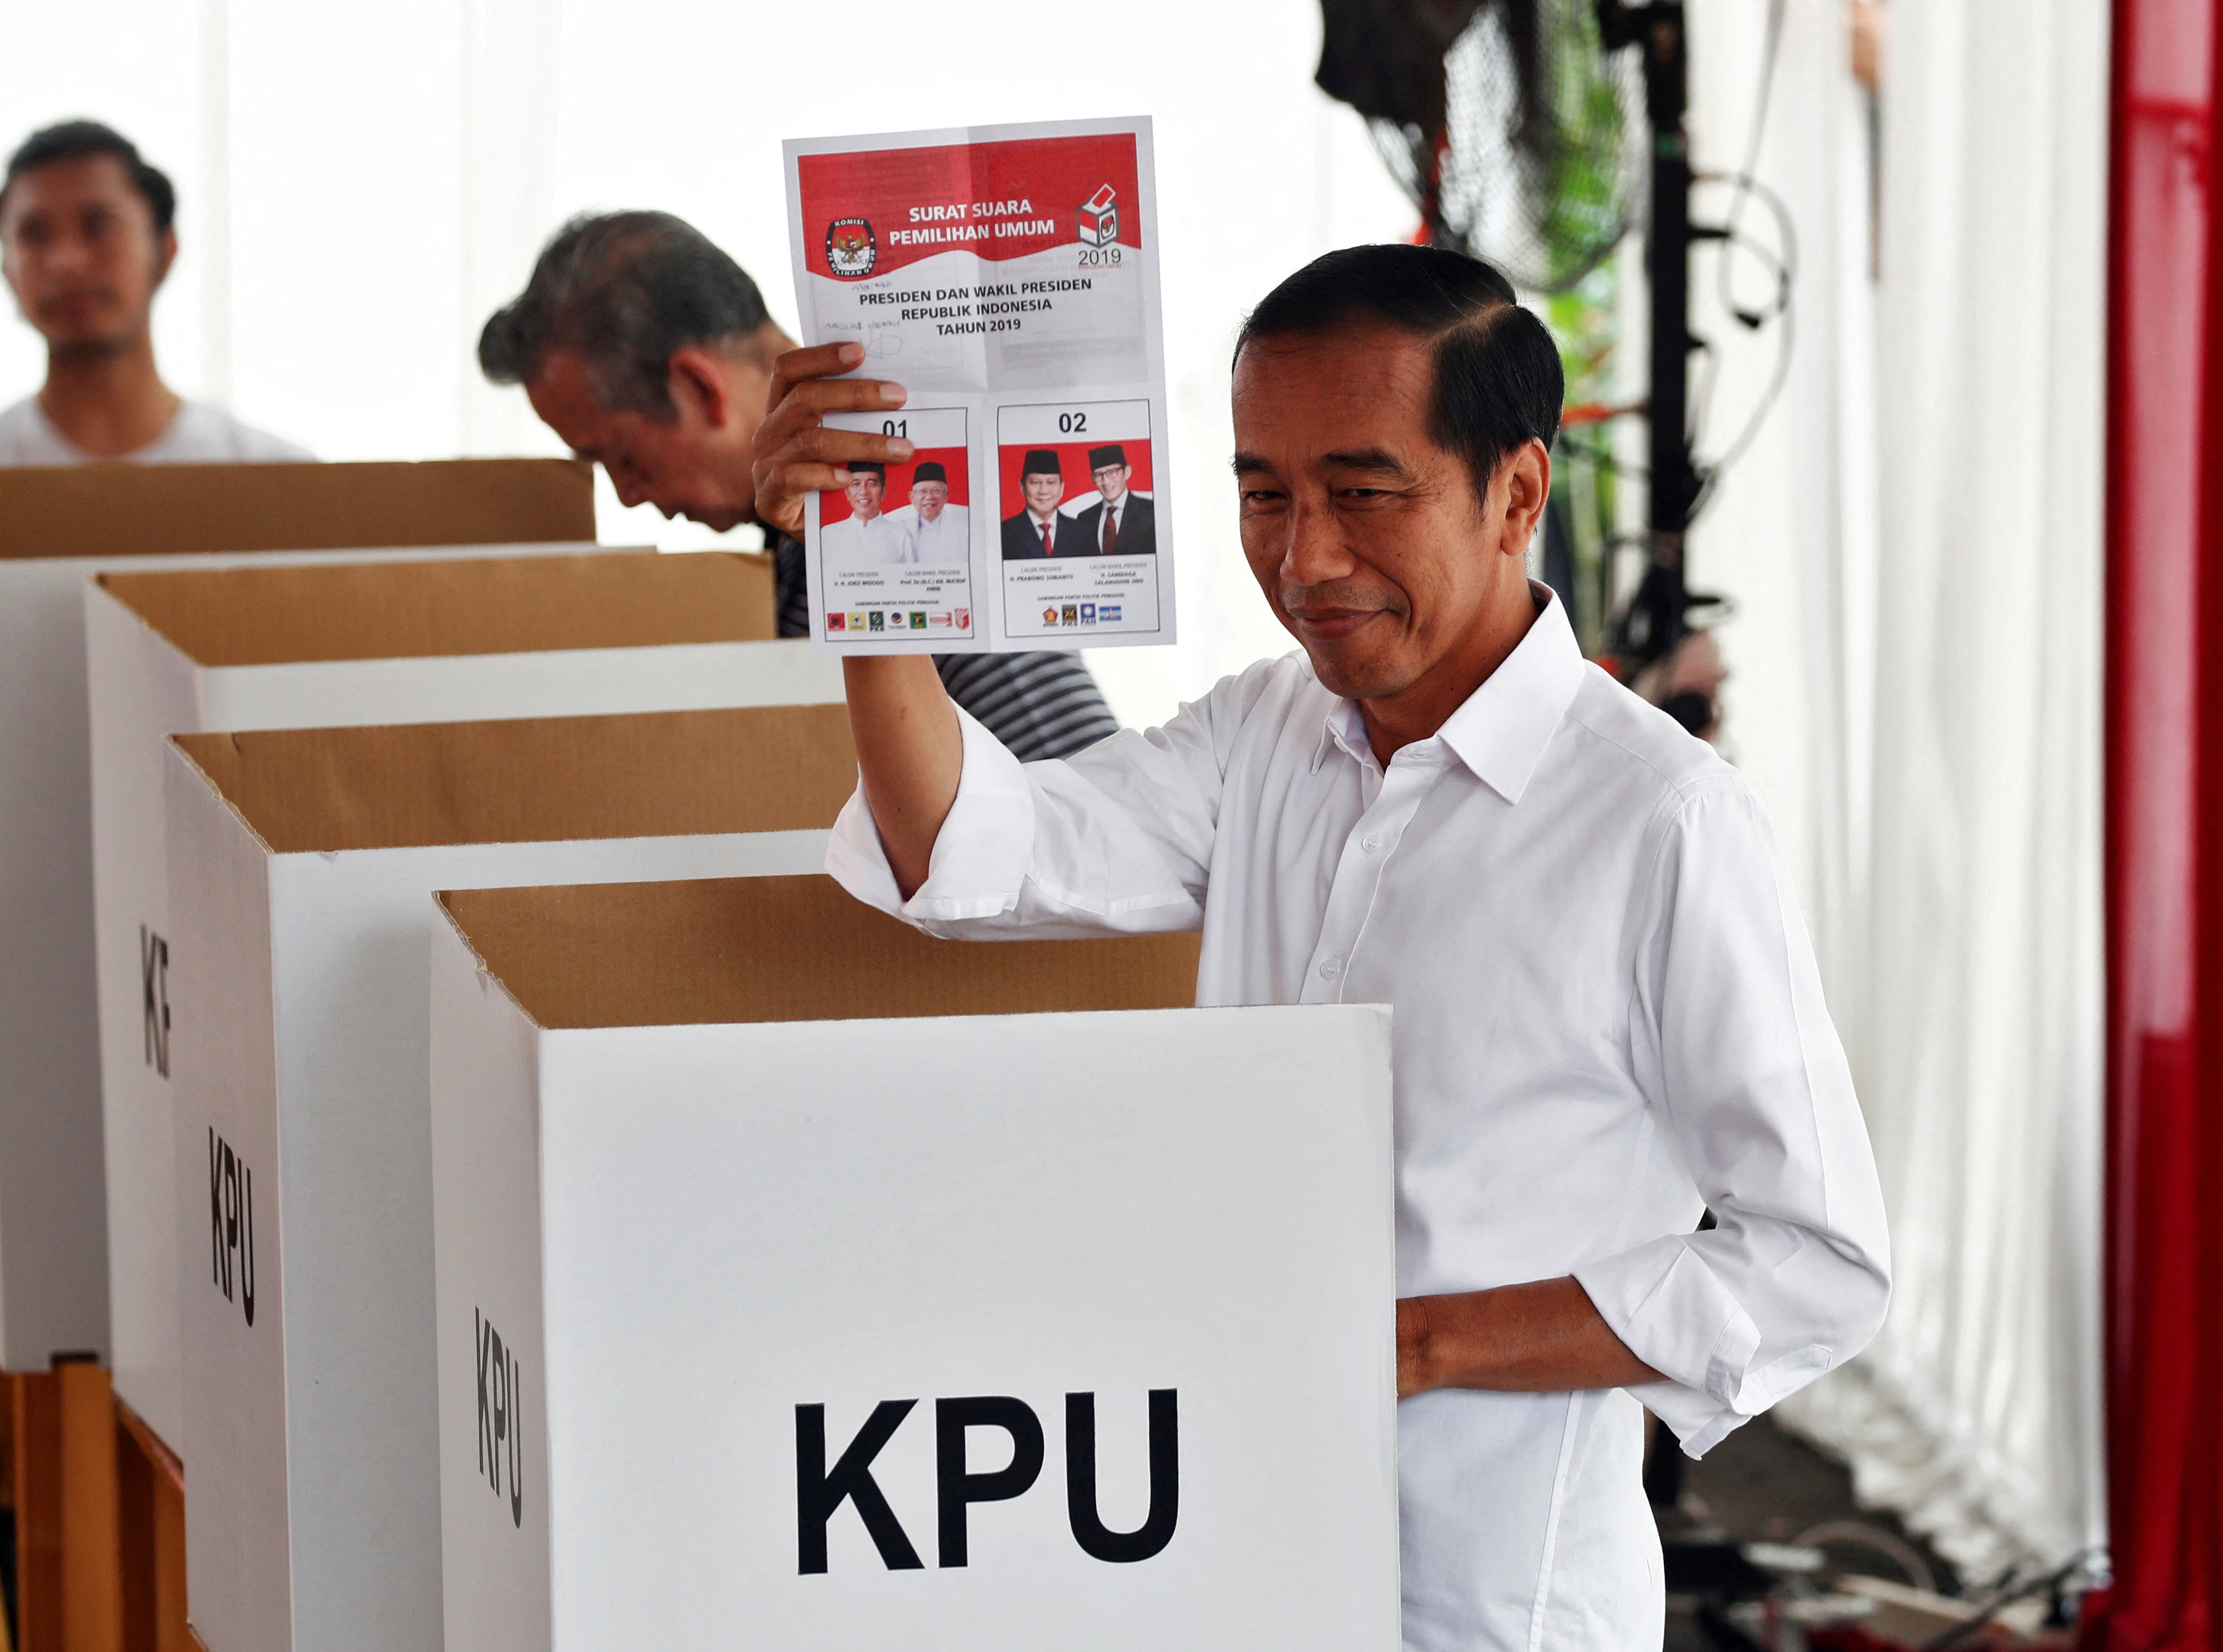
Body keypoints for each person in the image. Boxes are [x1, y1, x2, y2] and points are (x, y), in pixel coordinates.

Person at [751, 244, 1891, 1649]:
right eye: (1261, 495)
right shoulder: (1261, 733)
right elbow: (968, 854)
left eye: (1361, 494)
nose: (1303, 559)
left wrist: (1421, 1342)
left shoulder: (1660, 822)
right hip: (1228, 1536)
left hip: (1479, 1601)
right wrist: (865, 567)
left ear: (1516, 492)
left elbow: (1815, 1258)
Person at [478, 211, 1118, 763]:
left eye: (623, 457)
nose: (626, 495)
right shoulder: (779, 543)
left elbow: (1086, 801)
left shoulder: (901, 485)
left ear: (700, 387)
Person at [0, 120, 307, 468]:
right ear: (5, 266)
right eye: (35, 234)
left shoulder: (275, 478)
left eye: (100, 226)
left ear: (164, 251)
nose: (66, 262)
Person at [999, 449, 1098, 558]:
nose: (1044, 491)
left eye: (1051, 482)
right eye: (1036, 483)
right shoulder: (1004, 533)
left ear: (1062, 487)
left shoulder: (1083, 533)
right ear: (1022, 487)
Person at [821, 460, 912, 566]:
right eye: (856, 484)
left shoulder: (900, 534)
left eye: (871, 484)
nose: (864, 491)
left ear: (883, 492)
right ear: (847, 493)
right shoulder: (829, 534)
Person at [1074, 443, 1156, 555]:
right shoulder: (1085, 519)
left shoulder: (1150, 511)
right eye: (1099, 475)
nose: (1106, 481)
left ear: (1126, 472)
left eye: (1112, 472)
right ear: (1093, 479)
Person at [892, 460, 968, 563]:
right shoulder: (898, 530)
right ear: (912, 497)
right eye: (923, 491)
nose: (929, 497)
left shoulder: (964, 531)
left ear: (946, 496)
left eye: (936, 491)